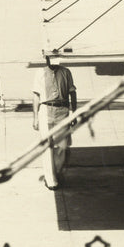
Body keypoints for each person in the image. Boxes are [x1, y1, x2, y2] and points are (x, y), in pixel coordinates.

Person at [32, 53, 77, 189]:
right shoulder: (40, 73)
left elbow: (72, 92)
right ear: (46, 59)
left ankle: (57, 172)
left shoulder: (66, 72)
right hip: (46, 110)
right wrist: (35, 117)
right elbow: (36, 96)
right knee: (47, 146)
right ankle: (51, 180)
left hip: (62, 111)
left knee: (63, 147)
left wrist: (74, 112)